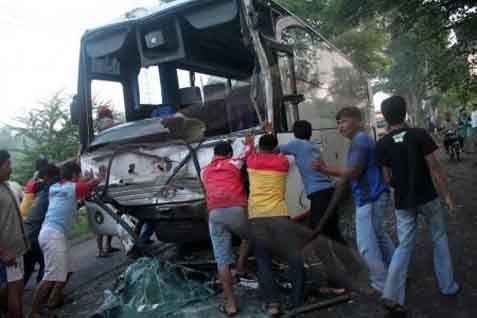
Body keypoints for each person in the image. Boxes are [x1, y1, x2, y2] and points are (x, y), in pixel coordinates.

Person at [245, 134, 365, 315]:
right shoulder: (282, 163)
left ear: (260, 148)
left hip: (257, 217)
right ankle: (297, 299)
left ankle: (273, 305)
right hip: (279, 214)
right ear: (274, 148)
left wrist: (249, 143)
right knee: (293, 257)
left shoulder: (251, 161)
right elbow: (275, 152)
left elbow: (251, 152)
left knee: (263, 261)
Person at [376, 96, 459, 313]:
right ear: (404, 113)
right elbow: (434, 167)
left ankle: (391, 294)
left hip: (404, 202)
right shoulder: (419, 134)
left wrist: (400, 184)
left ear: (385, 117)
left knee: (404, 246)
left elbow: (386, 179)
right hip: (428, 197)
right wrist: (447, 196)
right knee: (439, 239)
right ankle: (448, 287)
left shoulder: (382, 144)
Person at [313, 107, 395, 294]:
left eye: (343, 121)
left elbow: (354, 171)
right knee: (380, 237)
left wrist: (324, 169)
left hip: (369, 198)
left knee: (366, 245)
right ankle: (397, 272)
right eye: (338, 123)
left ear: (358, 121)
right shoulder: (361, 140)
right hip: (374, 195)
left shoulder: (360, 141)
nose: (340, 126)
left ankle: (381, 284)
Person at [31, 162, 104, 318]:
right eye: (77, 176)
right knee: (51, 276)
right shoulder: (71, 188)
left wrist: (85, 180)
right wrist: (100, 177)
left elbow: (80, 186)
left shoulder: (55, 188)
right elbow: (91, 184)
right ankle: (35, 312)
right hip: (53, 235)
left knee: (69, 269)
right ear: (73, 176)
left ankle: (53, 300)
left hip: (49, 233)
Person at [202, 141, 251, 316]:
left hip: (215, 213)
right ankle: (240, 266)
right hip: (237, 209)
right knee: (249, 236)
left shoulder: (204, 170)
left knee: (222, 260)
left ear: (214, 154)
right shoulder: (234, 163)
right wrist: (249, 142)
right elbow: (246, 152)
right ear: (229, 154)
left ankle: (231, 304)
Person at [277, 120, 345, 243]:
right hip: (328, 190)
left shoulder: (297, 144)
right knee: (330, 231)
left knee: (321, 232)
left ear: (295, 134)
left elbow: (274, 149)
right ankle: (345, 259)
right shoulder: (313, 146)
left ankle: (347, 260)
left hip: (320, 194)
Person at [0, 150, 29, 318]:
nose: (10, 168)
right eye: (7, 164)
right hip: (9, 250)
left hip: (17, 247)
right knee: (15, 288)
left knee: (15, 287)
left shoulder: (6, 185)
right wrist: (4, 252)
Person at [23, 164, 60, 286]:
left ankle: (8, 301)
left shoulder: (40, 193)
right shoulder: (52, 192)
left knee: (26, 271)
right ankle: (46, 296)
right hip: (35, 236)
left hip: (27, 234)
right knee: (48, 267)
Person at [95, 106, 119, 257]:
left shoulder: (97, 135)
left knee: (104, 216)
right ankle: (103, 248)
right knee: (108, 215)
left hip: (104, 182)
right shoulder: (111, 129)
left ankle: (104, 248)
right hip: (107, 181)